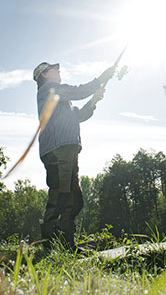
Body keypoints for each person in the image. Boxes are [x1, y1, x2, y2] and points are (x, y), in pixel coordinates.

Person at [34, 61, 115, 248]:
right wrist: (102, 78)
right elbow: (78, 91)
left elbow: (79, 116)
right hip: (57, 150)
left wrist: (94, 100)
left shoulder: (61, 99)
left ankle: (66, 244)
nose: (59, 71)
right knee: (60, 195)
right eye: (55, 69)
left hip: (67, 150)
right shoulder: (48, 90)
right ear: (45, 74)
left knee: (74, 198)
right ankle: (50, 244)